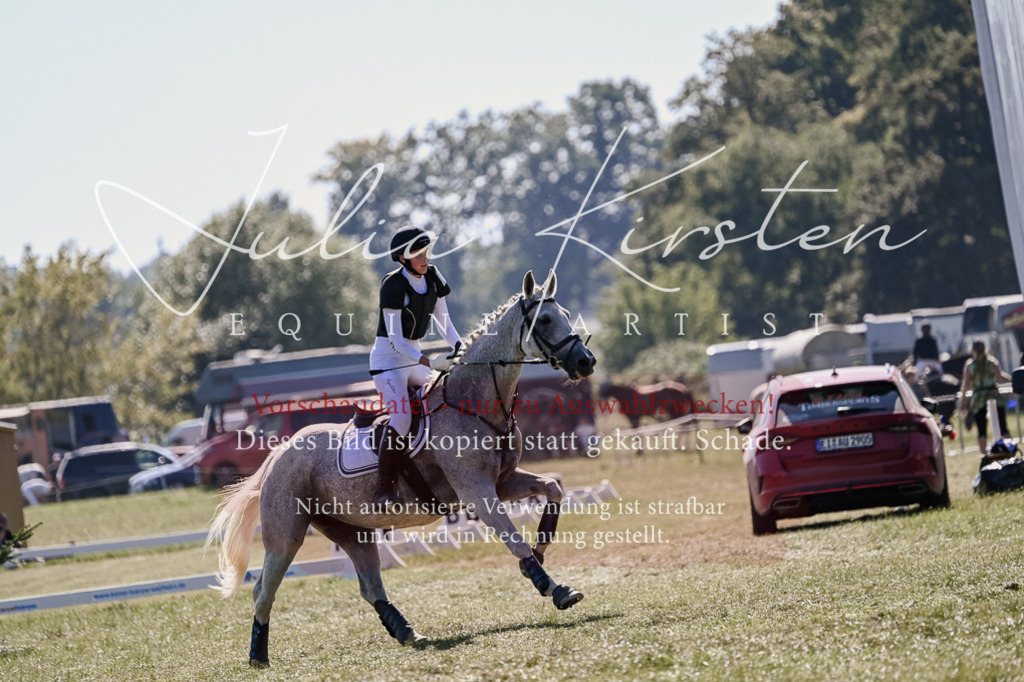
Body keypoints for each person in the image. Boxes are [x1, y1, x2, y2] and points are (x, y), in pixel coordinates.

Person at [370, 225, 462, 509]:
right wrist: (430, 361)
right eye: (418, 253)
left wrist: (462, 348)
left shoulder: (433, 276)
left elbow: (444, 322)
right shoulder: (393, 284)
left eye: (426, 251)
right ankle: (383, 489)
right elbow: (396, 340)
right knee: (401, 418)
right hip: (388, 362)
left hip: (415, 359)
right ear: (402, 259)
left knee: (446, 398)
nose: (425, 258)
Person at [960, 340, 1012, 453]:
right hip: (994, 397)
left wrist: (962, 401)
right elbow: (1000, 377)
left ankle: (984, 456)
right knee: (1003, 427)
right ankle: (1010, 451)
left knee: (981, 430)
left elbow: (966, 384)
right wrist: (1013, 379)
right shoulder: (992, 362)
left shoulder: (970, 365)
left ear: (973, 350)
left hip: (978, 400)